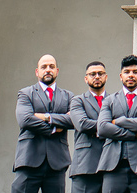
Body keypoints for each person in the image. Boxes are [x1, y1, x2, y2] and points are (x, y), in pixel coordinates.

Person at [13, 54, 75, 193]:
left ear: (57, 71)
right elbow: (25, 120)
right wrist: (54, 129)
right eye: (44, 67)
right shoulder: (26, 93)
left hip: (57, 162)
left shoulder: (68, 96)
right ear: (37, 72)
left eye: (51, 67)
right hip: (29, 159)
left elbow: (73, 120)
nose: (48, 70)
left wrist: (46, 117)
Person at [98, 55, 137, 193]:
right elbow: (102, 128)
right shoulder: (109, 100)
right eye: (127, 72)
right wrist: (134, 135)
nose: (131, 75)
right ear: (121, 76)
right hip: (113, 166)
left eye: (135, 72)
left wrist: (119, 121)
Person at [69, 62, 109, 193]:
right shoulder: (77, 101)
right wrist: (111, 125)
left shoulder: (114, 100)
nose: (97, 77)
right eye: (92, 74)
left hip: (110, 165)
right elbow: (82, 124)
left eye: (100, 74)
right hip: (85, 165)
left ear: (106, 77)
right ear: (86, 78)